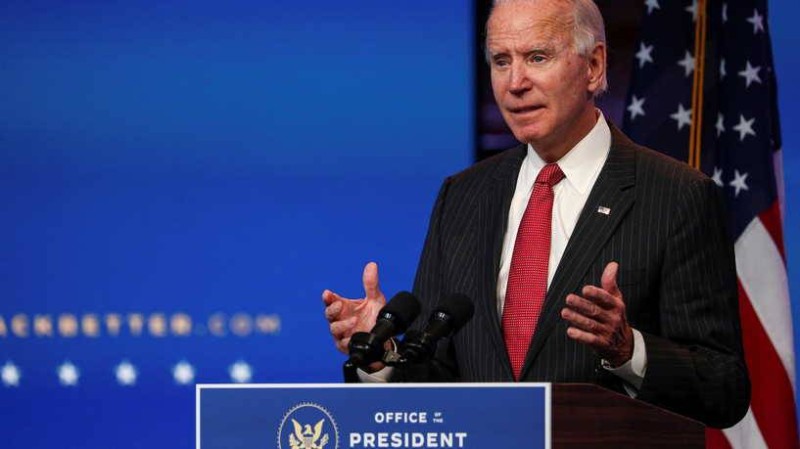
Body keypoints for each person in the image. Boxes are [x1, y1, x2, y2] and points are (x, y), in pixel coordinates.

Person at [322, 0, 749, 429]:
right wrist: (383, 358)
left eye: (537, 57)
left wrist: (628, 351)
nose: (515, 82)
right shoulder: (463, 195)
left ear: (594, 66)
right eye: (501, 61)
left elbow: (723, 389)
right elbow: (439, 382)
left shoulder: (677, 196)